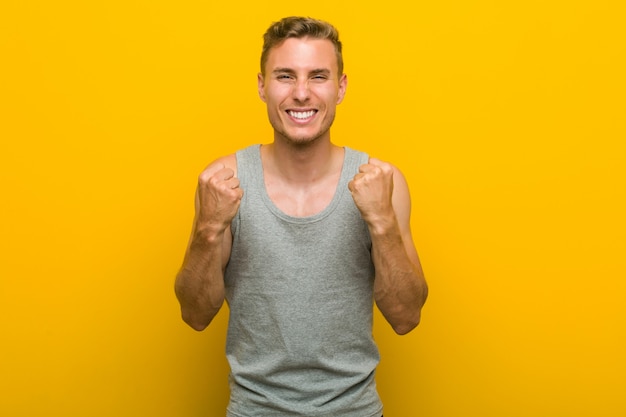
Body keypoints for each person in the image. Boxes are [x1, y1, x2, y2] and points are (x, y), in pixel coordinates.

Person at [175, 16, 428, 417]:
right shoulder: (225, 181)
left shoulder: (383, 182)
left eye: (319, 77)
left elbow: (406, 317)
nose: (302, 93)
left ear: (341, 87)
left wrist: (382, 222)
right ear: (262, 85)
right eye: (285, 76)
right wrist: (208, 229)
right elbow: (195, 314)